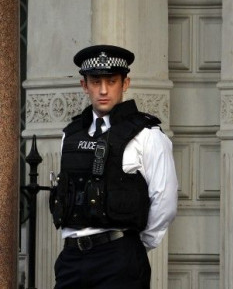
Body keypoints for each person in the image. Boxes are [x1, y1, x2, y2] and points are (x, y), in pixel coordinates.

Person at [49, 45, 178, 289]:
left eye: (112, 81)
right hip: (72, 259)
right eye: (96, 82)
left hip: (119, 257)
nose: (104, 90)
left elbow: (165, 201)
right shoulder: (71, 134)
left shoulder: (147, 135)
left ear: (125, 83)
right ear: (84, 85)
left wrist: (133, 245)